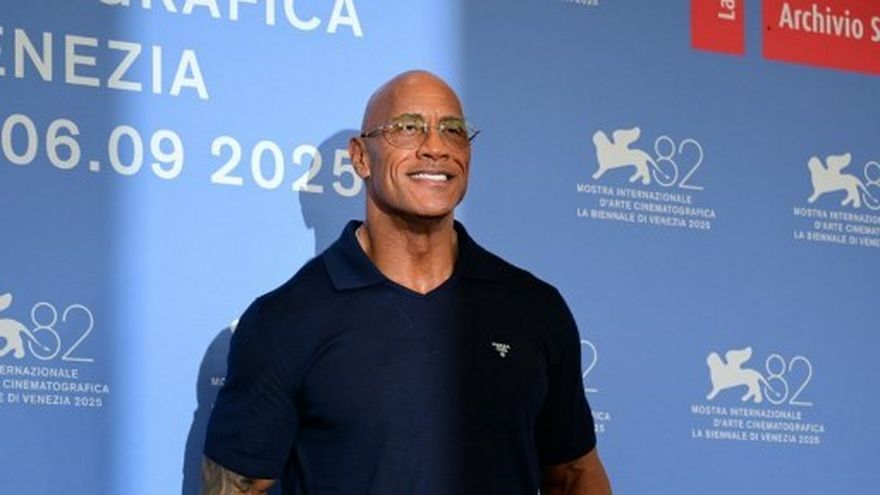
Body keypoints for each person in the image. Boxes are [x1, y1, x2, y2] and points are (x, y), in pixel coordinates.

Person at [201, 70, 611, 495]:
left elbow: (574, 473)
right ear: (361, 157)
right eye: (408, 128)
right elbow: (237, 487)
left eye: (453, 130)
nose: (436, 147)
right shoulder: (286, 320)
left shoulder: (533, 308)